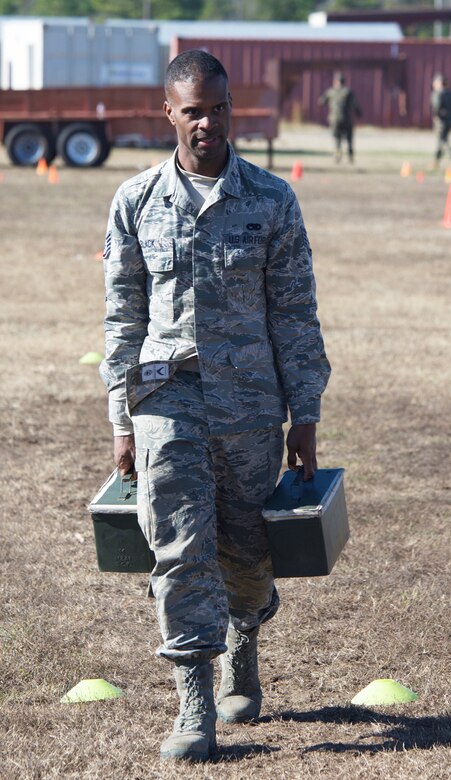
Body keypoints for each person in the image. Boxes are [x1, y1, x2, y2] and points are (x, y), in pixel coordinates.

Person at [100, 50, 330, 762]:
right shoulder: (135, 201)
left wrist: (305, 415)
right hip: (165, 399)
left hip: (251, 406)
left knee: (247, 552)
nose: (207, 122)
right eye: (193, 110)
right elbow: (122, 317)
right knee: (177, 545)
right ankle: (194, 704)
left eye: (218, 108)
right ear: (168, 112)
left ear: (233, 109)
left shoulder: (271, 199)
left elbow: (295, 314)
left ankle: (245, 638)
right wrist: (121, 418)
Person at [319, 72, 362, 164]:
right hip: (346, 119)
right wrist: (359, 114)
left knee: (337, 137)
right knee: (349, 138)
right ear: (344, 81)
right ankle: (350, 154)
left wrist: (331, 103)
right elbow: (355, 105)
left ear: (335, 81)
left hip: (334, 119)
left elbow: (321, 101)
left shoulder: (331, 91)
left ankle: (337, 154)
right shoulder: (348, 92)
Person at [430, 73, 451, 168]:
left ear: (440, 83)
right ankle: (436, 162)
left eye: (435, 82)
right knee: (441, 140)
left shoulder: (437, 93)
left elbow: (437, 105)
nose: (433, 84)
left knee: (443, 140)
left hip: (441, 121)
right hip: (450, 120)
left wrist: (436, 116)